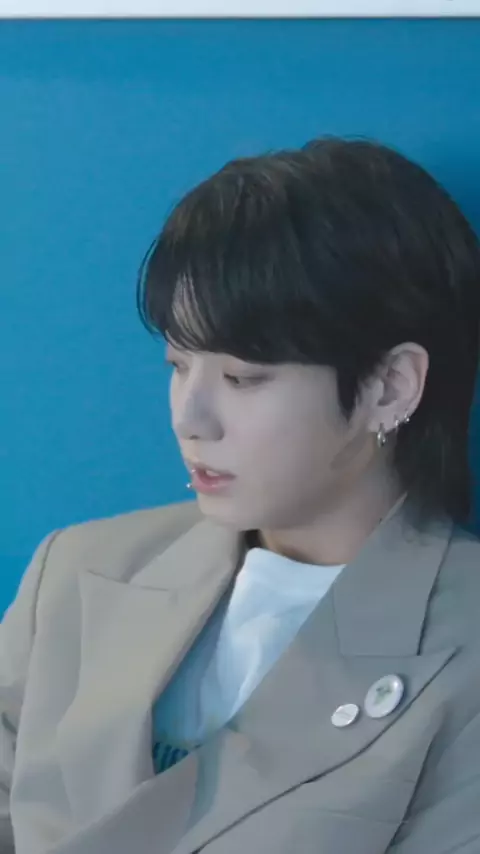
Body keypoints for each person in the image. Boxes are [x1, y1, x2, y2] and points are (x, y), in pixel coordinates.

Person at [1, 137, 480, 854]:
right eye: (178, 364)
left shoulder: (463, 646)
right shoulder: (77, 570)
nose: (188, 419)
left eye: (243, 378)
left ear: (389, 386)